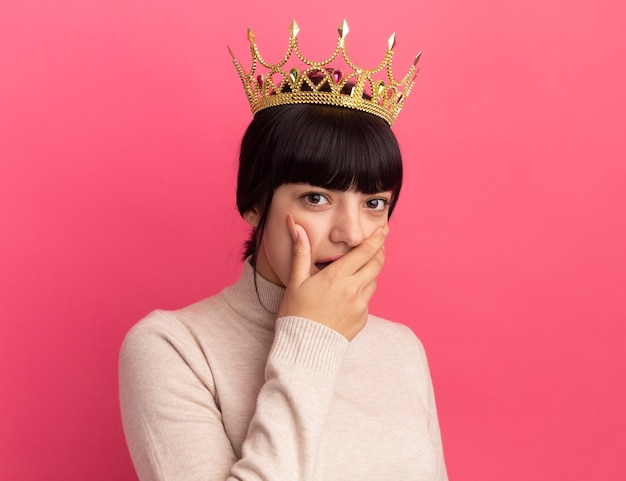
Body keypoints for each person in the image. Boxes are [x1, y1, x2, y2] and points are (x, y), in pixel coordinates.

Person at [119, 20, 448, 481]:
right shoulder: (173, 348)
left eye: (374, 203)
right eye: (317, 198)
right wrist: (310, 336)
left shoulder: (402, 350)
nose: (352, 234)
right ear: (255, 203)